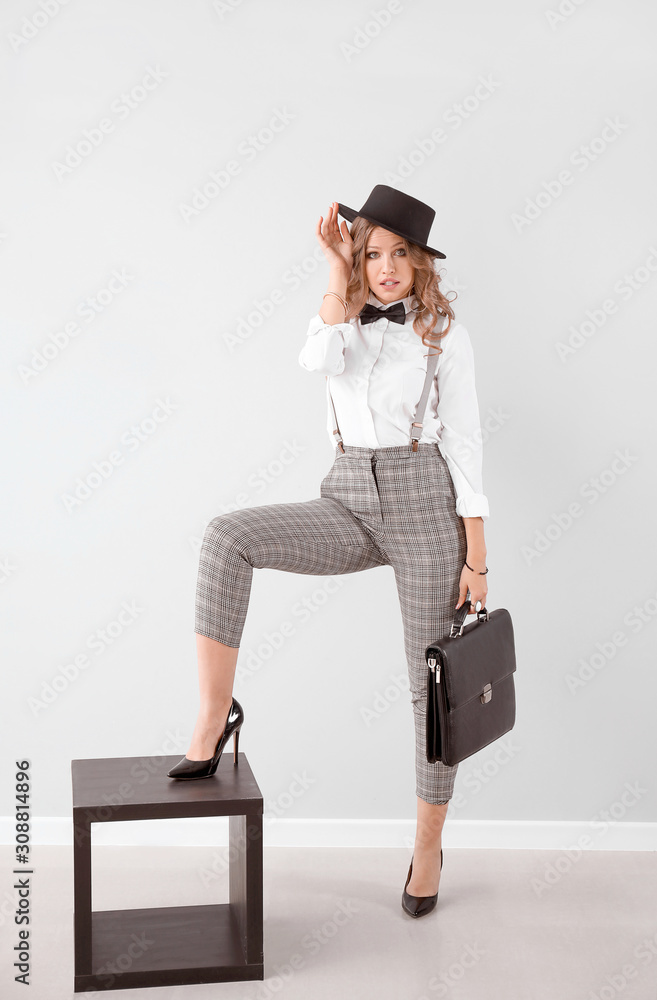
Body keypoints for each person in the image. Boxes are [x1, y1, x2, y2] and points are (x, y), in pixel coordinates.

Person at [166, 184, 489, 919]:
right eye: (372, 253)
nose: (385, 268)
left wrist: (477, 558)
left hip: (424, 508)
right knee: (226, 537)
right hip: (344, 498)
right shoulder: (339, 321)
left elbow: (466, 444)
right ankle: (214, 717)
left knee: (428, 689)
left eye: (398, 254)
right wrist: (333, 275)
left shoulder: (445, 336)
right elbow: (317, 361)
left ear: (419, 263)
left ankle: (428, 848)